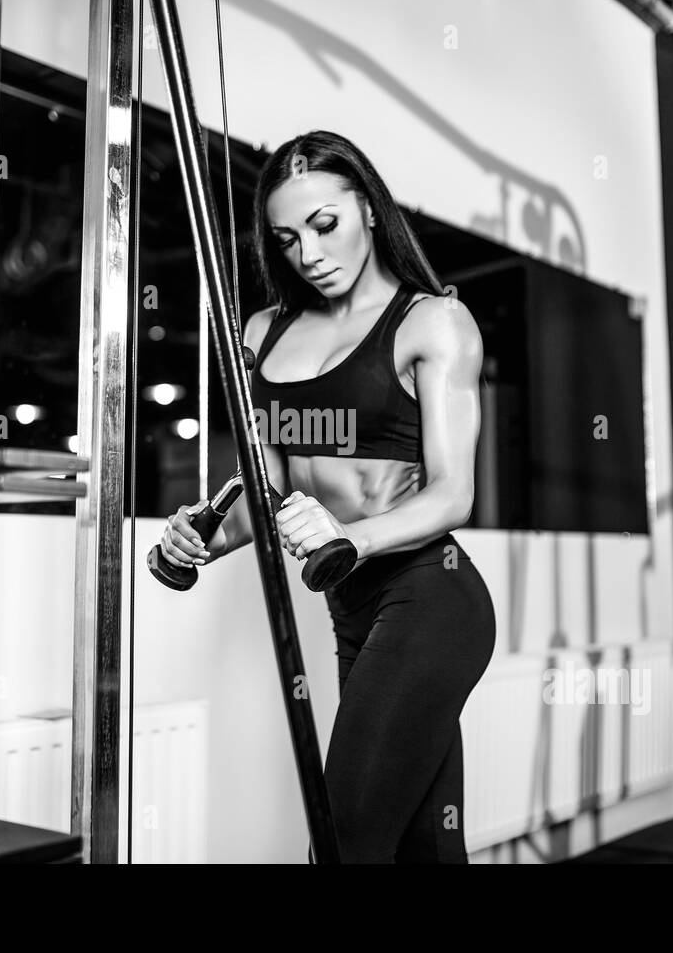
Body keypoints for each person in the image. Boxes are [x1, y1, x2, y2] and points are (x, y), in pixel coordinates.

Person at [156, 130, 495, 863]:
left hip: (430, 600)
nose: (308, 253)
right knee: (423, 849)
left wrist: (353, 536)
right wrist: (202, 541)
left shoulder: (432, 321)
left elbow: (453, 493)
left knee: (342, 844)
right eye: (286, 238)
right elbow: (268, 489)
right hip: (353, 609)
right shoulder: (264, 333)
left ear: (368, 210)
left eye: (325, 225)